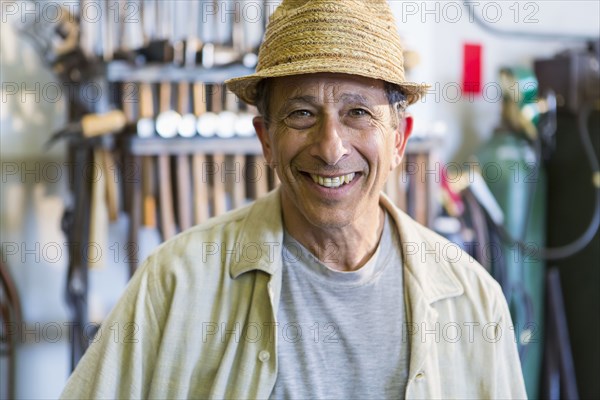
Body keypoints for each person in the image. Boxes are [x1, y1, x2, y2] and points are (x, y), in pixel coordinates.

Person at [61, 0, 527, 399]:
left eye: (358, 113)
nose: (330, 147)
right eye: (302, 113)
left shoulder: (473, 302)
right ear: (266, 139)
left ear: (399, 139)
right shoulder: (175, 283)